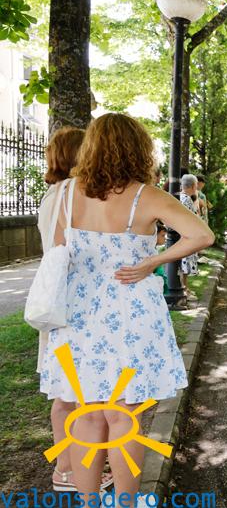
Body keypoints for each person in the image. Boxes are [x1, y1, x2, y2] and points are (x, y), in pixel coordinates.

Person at [38, 113, 213, 502]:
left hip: (78, 312)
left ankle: (88, 502)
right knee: (123, 417)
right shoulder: (145, 196)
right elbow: (202, 235)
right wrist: (152, 262)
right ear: (138, 149)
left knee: (87, 415)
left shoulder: (65, 193)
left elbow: (58, 252)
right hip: (129, 312)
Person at [36, 126, 107, 493]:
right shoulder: (71, 192)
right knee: (73, 395)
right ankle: (72, 470)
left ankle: (68, 466)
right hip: (69, 299)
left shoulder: (53, 194)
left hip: (54, 298)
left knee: (64, 392)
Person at [180, 174, 204, 300]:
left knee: (184, 264)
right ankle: (184, 289)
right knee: (184, 264)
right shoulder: (187, 199)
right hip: (186, 235)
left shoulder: (180, 197)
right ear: (193, 186)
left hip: (183, 234)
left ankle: (185, 288)